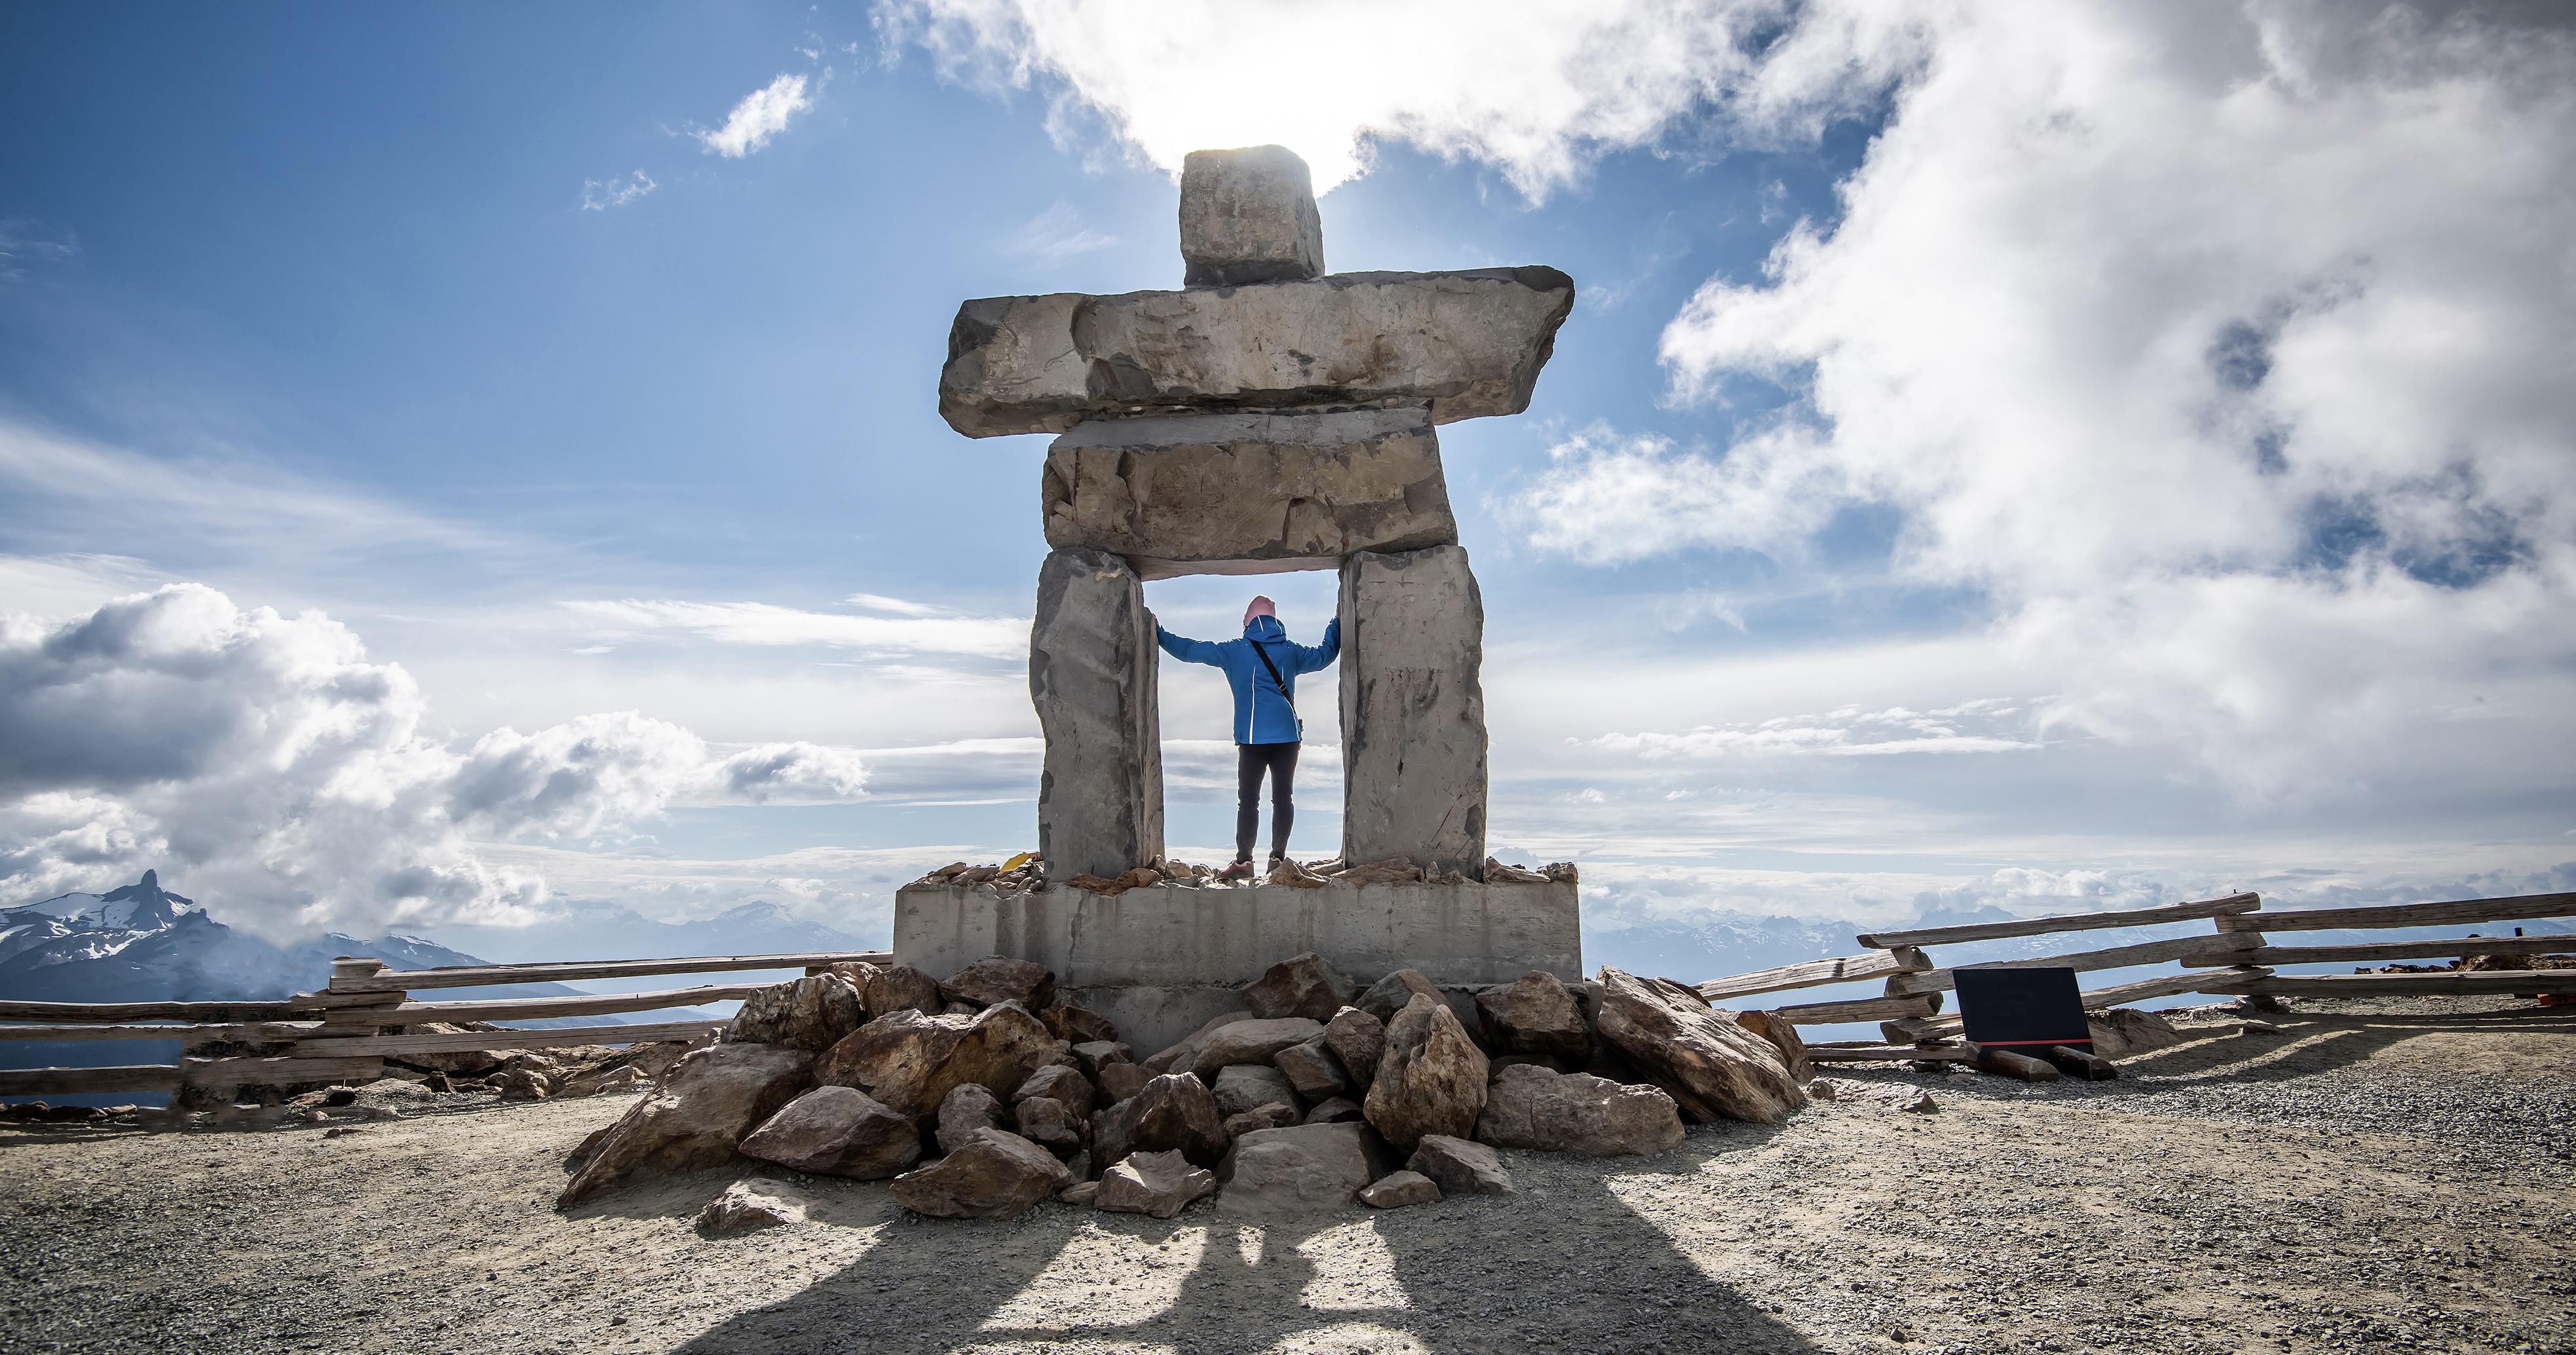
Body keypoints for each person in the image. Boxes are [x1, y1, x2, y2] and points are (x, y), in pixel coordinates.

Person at [1156, 594, 1340, 880]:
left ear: (1248, 622)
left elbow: (1190, 650)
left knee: (1249, 801)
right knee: (1283, 798)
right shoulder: (1290, 651)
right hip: (1288, 737)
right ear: (1275, 620)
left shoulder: (1234, 650)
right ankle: (1277, 860)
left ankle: (1244, 864)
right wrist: (1337, 622)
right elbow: (1324, 655)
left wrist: (1158, 633)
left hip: (1252, 739)